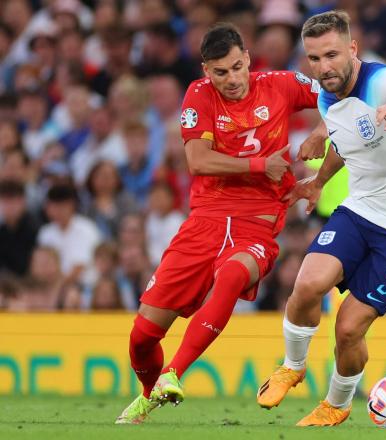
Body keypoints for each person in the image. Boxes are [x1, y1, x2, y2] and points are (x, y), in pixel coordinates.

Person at [115, 23, 324, 424]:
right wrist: (262, 164)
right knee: (142, 338)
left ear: (247, 59)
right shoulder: (198, 94)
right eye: (220, 72)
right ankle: (148, 395)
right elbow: (198, 161)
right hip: (205, 221)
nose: (231, 79)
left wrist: (321, 129)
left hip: (257, 222)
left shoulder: (280, 84)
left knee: (232, 274)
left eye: (236, 67)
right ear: (205, 70)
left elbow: (341, 96)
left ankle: (173, 373)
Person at [257, 11, 386, 426]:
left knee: (348, 328)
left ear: (352, 49)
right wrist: (317, 182)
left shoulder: (384, 82)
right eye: (314, 59)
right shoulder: (327, 95)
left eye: (331, 55)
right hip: (362, 208)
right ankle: (293, 366)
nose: (323, 67)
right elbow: (349, 142)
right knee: (308, 284)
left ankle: (337, 403)